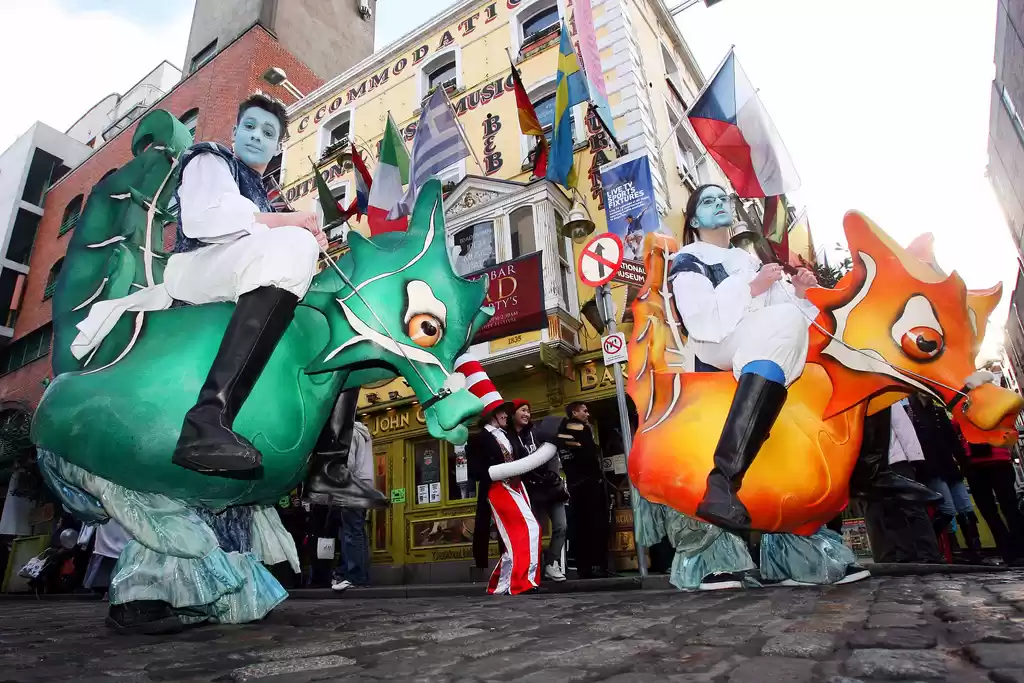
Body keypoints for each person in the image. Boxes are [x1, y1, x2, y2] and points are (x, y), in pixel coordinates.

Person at [164, 93, 328, 475]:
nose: (257, 136)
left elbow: (261, 232)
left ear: (276, 145)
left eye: (268, 132)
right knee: (294, 244)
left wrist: (303, 241)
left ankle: (329, 462)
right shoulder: (209, 157)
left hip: (233, 270)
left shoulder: (267, 197)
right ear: (235, 131)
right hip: (194, 268)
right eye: (250, 127)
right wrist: (290, 227)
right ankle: (206, 420)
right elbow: (207, 221)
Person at [905, 392, 983, 562]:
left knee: (966, 509)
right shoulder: (910, 413)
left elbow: (952, 439)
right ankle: (931, 549)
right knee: (947, 510)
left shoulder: (938, 412)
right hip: (930, 468)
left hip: (949, 465)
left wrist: (964, 462)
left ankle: (974, 552)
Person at [509, 399, 568, 583]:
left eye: (528, 411)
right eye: (522, 410)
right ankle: (535, 568)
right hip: (531, 492)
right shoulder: (509, 438)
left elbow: (552, 453)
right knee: (535, 531)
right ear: (513, 414)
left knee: (561, 526)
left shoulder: (538, 432)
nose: (527, 414)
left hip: (551, 488)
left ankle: (552, 563)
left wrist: (552, 473)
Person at [956, 424, 1024, 566]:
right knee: (1005, 508)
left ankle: (1012, 552)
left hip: (986, 462)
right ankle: (1014, 551)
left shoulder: (964, 407)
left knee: (998, 510)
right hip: (987, 462)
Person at [559, 401, 612, 579]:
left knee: (580, 527)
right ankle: (599, 565)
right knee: (596, 525)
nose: (588, 415)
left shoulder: (562, 431)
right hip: (589, 484)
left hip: (574, 485)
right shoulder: (581, 427)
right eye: (585, 411)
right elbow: (587, 455)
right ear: (575, 412)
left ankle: (584, 567)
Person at [331, 419, 377, 592]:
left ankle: (354, 576)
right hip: (364, 486)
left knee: (351, 531)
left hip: (352, 486)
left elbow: (347, 465)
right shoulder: (363, 433)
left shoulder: (351, 433)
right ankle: (359, 576)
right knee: (357, 531)